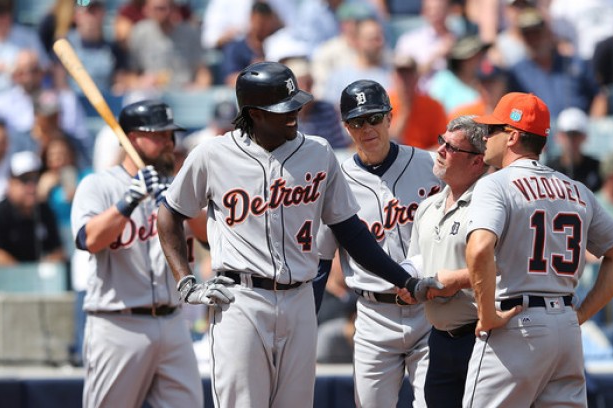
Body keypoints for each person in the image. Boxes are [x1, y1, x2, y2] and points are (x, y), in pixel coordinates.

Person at [156, 61, 436, 408]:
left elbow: (351, 232)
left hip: (300, 299)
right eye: (283, 109)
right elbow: (169, 214)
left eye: (295, 105)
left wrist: (404, 279)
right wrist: (186, 282)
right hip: (241, 298)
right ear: (254, 113)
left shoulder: (318, 152)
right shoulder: (213, 155)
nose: (294, 113)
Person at [448, 92, 613, 407]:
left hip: (517, 323)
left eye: (494, 129)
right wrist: (581, 314)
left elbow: (479, 249)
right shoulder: (576, 189)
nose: (486, 135)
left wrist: (487, 314)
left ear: (514, 136)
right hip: (564, 325)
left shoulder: (495, 184)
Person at [70, 100, 205, 408]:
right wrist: (129, 200)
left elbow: (208, 237)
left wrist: (176, 205)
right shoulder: (98, 185)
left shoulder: (177, 188)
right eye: (158, 135)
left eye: (170, 136)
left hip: (173, 322)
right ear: (132, 139)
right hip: (119, 324)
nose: (168, 143)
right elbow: (88, 239)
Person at [317, 79, 443, 408]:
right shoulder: (337, 181)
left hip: (430, 308)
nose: (367, 128)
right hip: (373, 313)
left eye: (374, 117)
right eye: (358, 121)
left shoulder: (431, 166)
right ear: (346, 127)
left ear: (389, 117)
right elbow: (320, 260)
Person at [405, 115, 489, 407]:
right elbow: (416, 259)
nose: (440, 149)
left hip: (481, 338)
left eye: (451, 147)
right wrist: (407, 281)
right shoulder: (428, 206)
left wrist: (456, 281)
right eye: (442, 141)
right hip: (439, 340)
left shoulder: (490, 204)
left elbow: (507, 265)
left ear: (477, 162)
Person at [0, 150, 64, 265]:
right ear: (10, 183)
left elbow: (57, 251)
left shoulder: (44, 210)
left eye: (35, 179)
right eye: (24, 180)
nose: (31, 186)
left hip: (40, 280)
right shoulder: (0, 213)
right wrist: (24, 275)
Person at [546, 107, 602, 192]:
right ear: (558, 136)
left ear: (584, 137)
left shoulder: (596, 168)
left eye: (576, 135)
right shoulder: (549, 168)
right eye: (567, 135)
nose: (571, 140)